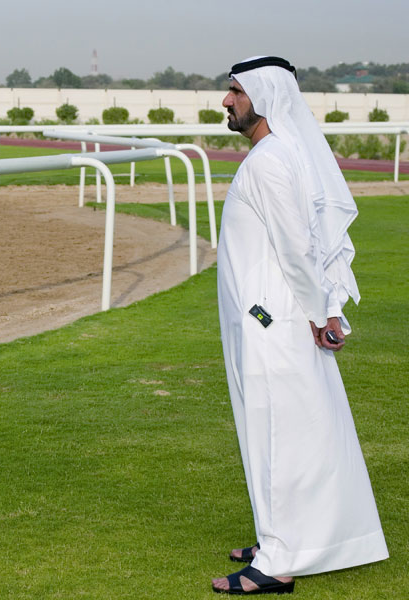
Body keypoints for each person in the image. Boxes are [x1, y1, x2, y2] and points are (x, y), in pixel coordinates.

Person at [211, 56, 388, 595]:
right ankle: (279, 535)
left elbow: (296, 249)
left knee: (279, 438)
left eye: (235, 91)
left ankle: (279, 562)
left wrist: (321, 313)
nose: (226, 100)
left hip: (275, 323)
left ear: (262, 97)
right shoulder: (276, 154)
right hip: (270, 320)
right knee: (286, 433)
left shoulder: (268, 161)